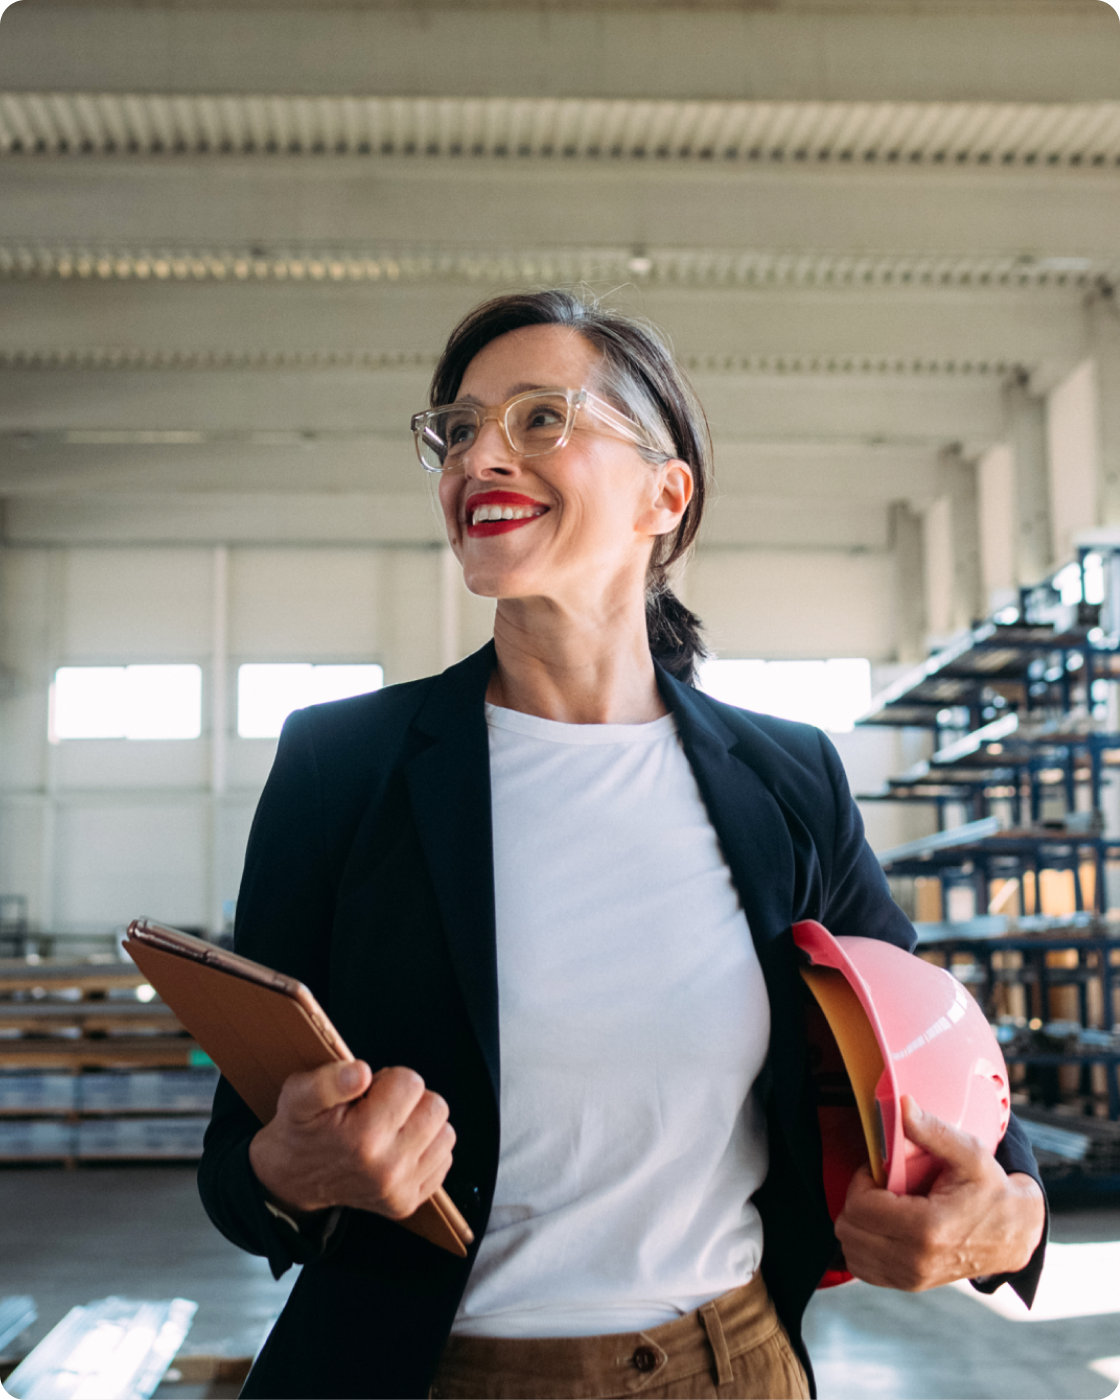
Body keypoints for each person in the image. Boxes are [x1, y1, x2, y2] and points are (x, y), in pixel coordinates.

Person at [199, 290, 1048, 1400]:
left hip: (730, 1364)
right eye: (455, 430)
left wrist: (1015, 1206)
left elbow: (927, 1040)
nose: (477, 456)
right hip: (422, 1372)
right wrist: (289, 1166)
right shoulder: (343, 767)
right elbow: (234, 1154)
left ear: (666, 490)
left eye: (538, 418)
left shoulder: (786, 779)